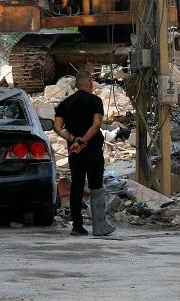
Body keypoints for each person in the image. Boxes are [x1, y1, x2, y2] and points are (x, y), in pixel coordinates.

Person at [53, 70, 115, 237]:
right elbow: (96, 125)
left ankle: (77, 227)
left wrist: (74, 140)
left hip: (74, 152)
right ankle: (99, 226)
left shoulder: (65, 104)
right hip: (93, 149)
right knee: (96, 186)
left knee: (77, 186)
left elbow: (57, 128)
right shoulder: (95, 100)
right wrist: (83, 141)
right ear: (90, 83)